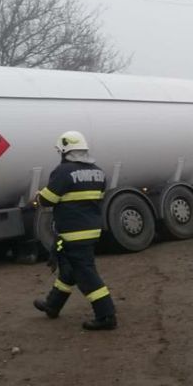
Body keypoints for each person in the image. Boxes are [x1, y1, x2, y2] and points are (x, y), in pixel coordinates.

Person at [33, 130, 118, 330]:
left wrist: (38, 197)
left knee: (86, 274)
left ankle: (106, 316)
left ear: (65, 151)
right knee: (69, 271)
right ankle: (52, 305)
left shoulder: (63, 172)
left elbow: (48, 199)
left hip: (72, 232)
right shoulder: (98, 172)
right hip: (91, 230)